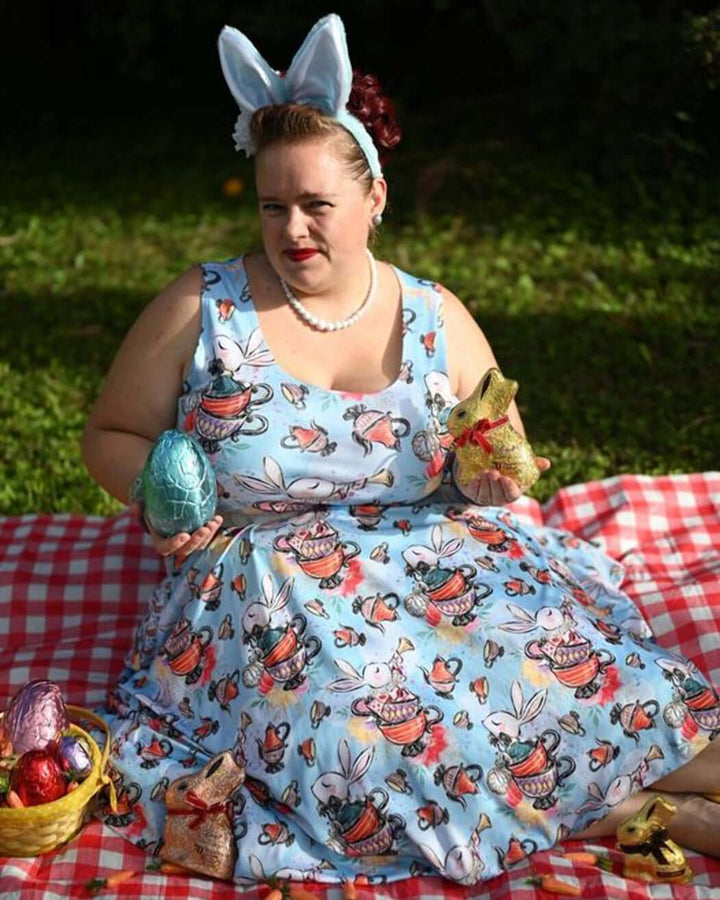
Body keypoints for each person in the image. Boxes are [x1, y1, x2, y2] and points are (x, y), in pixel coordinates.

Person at [82, 13, 720, 886]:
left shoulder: (436, 316)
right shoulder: (205, 309)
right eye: (275, 207)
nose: (293, 230)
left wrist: (489, 475)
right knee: (358, 738)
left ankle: (692, 778)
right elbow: (109, 434)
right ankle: (634, 813)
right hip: (264, 583)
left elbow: (498, 458)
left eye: (317, 206)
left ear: (375, 198)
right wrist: (158, 494)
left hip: (433, 562)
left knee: (551, 682)